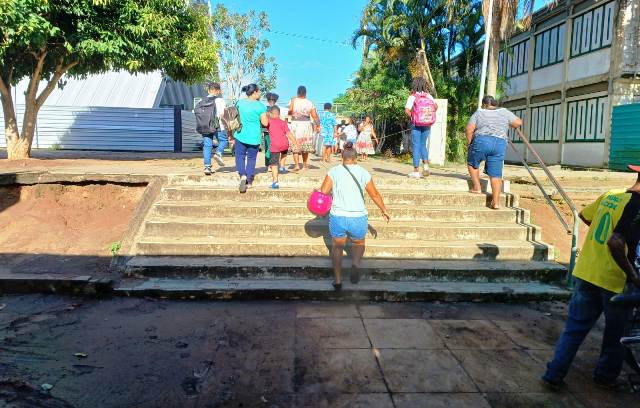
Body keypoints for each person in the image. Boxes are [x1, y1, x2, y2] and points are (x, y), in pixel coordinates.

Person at [542, 165, 640, 391]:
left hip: (587, 271)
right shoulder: (637, 205)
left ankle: (554, 373)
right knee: (617, 334)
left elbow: (586, 217)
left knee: (574, 328)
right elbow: (615, 242)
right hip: (614, 279)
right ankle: (604, 377)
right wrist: (633, 276)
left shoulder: (611, 195)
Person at [319, 142, 390, 290]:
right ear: (356, 159)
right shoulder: (363, 172)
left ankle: (337, 281)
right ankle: (356, 264)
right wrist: (384, 209)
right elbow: (374, 194)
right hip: (358, 217)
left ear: (342, 158)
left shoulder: (333, 172)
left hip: (338, 215)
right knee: (358, 243)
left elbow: (323, 193)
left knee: (337, 247)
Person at [465, 95, 522, 210]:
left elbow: (469, 130)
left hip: (482, 140)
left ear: (484, 104)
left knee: (472, 163)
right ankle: (495, 203)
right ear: (495, 104)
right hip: (499, 143)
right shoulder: (504, 112)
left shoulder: (479, 112)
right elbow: (518, 123)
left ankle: (477, 187)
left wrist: (470, 143)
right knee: (496, 174)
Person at [234, 84, 268, 193]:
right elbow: (265, 123)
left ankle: (242, 176)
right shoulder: (261, 106)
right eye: (259, 92)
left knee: (240, 156)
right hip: (254, 137)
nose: (260, 94)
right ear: (254, 92)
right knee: (251, 159)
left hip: (240, 134)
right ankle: (249, 181)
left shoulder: (239, 103)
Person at [405, 77, 438, 178]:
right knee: (423, 144)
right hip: (427, 123)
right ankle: (426, 167)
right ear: (424, 85)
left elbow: (407, 110)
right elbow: (436, 107)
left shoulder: (412, 97)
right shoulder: (429, 96)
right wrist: (426, 116)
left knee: (416, 145)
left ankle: (416, 171)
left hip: (416, 124)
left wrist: (414, 116)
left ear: (414, 85)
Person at [288, 86, 320, 172]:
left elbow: (290, 112)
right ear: (305, 93)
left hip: (295, 124)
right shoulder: (309, 102)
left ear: (297, 92)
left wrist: (292, 102)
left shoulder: (293, 100)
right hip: (306, 124)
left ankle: (296, 165)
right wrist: (318, 125)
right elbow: (314, 116)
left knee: (295, 144)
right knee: (305, 144)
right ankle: (305, 165)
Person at [266, 106, 297, 189]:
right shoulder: (283, 122)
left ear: (271, 113)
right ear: (279, 114)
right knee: (284, 152)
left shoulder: (269, 121)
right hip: (284, 143)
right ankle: (282, 166)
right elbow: (289, 134)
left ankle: (275, 182)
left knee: (274, 163)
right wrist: (295, 143)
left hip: (275, 145)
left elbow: (263, 121)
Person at [200, 82, 227, 175]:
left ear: (208, 90)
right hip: (217, 125)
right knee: (224, 140)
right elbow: (223, 115)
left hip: (205, 125)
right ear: (218, 91)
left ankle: (207, 167)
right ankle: (218, 153)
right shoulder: (220, 100)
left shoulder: (202, 101)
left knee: (207, 145)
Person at [263, 92, 279, 169]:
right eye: (270, 100)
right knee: (270, 148)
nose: (271, 101)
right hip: (269, 131)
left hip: (272, 131)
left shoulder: (268, 109)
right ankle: (270, 164)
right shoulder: (267, 109)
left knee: (270, 148)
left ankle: (270, 164)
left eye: (272, 100)